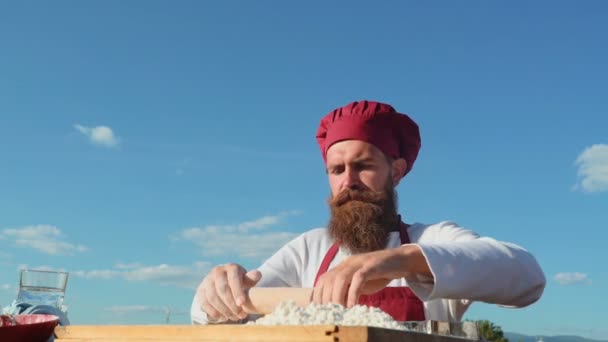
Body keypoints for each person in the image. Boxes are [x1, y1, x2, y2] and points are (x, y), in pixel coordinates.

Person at [190, 100, 546, 324]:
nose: (349, 182)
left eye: (363, 166)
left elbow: (527, 277)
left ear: (398, 170)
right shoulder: (308, 249)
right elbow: (213, 315)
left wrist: (403, 260)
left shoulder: (432, 240)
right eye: (337, 170)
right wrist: (217, 292)